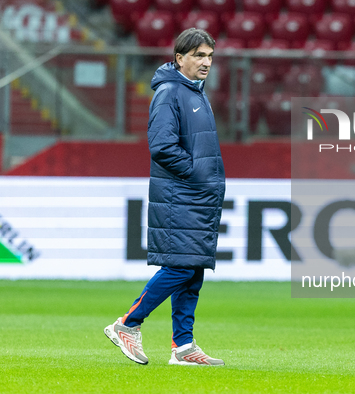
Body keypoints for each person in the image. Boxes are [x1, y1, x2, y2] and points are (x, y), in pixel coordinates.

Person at [104, 28, 225, 366]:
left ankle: (183, 347)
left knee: (193, 268)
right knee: (181, 267)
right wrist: (197, 175)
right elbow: (162, 146)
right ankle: (127, 323)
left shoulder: (194, 92)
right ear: (179, 58)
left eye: (210, 56)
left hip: (197, 197)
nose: (206, 62)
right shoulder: (170, 92)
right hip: (181, 195)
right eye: (199, 55)